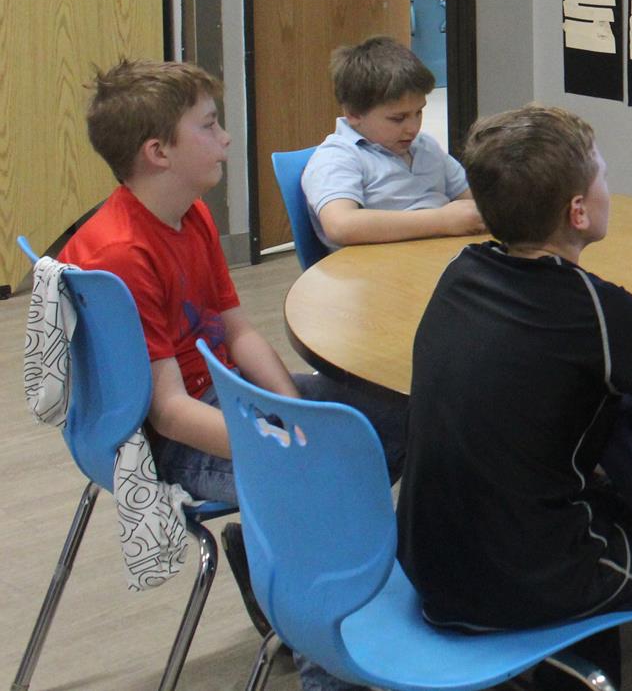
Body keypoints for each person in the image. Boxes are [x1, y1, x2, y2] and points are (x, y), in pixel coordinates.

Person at [398, 105, 632, 691]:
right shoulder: (595, 307)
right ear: (578, 210)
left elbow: (556, 353)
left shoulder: (461, 271)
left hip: (431, 567)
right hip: (521, 579)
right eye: (600, 174)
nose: (608, 186)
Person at [61, 60, 406, 691]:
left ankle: (291, 568)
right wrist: (290, 449)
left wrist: (291, 416)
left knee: (400, 414)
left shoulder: (189, 212)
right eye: (210, 126)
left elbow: (239, 333)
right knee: (317, 491)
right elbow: (165, 413)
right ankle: (328, 668)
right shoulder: (121, 254)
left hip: (223, 400)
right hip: (170, 440)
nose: (225, 139)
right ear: (158, 151)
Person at [302, 36, 484, 250]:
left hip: (438, 257)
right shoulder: (338, 157)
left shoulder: (425, 147)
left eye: (419, 112)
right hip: (377, 271)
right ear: (353, 114)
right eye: (398, 118)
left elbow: (474, 197)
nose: (413, 128)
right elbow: (341, 225)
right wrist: (441, 220)